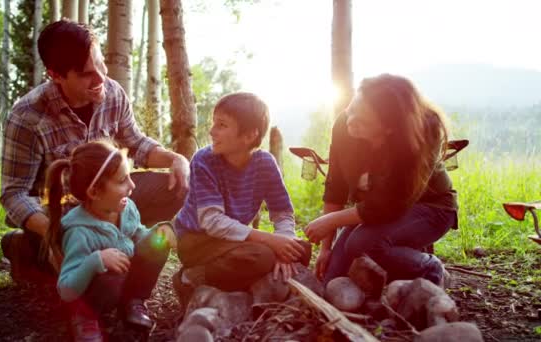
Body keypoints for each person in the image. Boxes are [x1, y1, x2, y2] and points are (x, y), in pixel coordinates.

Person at [0, 19, 188, 282]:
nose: (101, 78)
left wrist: (175, 159)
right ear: (56, 75)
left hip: (108, 199)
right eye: (86, 73)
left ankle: (120, 240)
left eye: (100, 63)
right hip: (61, 214)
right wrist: (56, 233)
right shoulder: (27, 117)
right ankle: (25, 248)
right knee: (94, 276)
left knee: (178, 185)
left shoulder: (113, 93)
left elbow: (135, 143)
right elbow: (14, 194)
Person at [304, 74, 457, 287]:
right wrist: (325, 249)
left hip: (431, 209)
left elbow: (391, 204)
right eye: (353, 108)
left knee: (362, 245)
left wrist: (331, 221)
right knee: (332, 278)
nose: (350, 121)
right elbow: (335, 186)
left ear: (389, 128)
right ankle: (399, 257)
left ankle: (429, 267)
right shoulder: (345, 124)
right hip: (375, 210)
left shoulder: (421, 132)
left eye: (363, 121)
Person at [171, 92, 310, 308]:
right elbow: (213, 222)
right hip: (197, 239)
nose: (212, 131)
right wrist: (272, 241)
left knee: (300, 250)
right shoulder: (204, 161)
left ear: (249, 136)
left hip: (233, 240)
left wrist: (285, 244)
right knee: (262, 256)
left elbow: (282, 211)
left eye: (222, 125)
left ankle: (246, 283)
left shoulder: (265, 163)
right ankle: (192, 277)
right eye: (213, 123)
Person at [45, 140, 175, 341]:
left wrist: (157, 236)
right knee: (110, 276)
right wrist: (95, 261)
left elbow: (136, 231)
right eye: (122, 180)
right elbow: (66, 290)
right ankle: (84, 318)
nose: (132, 185)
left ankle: (133, 301)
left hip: (124, 276)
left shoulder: (127, 207)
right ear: (94, 192)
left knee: (159, 238)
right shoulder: (79, 233)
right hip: (95, 291)